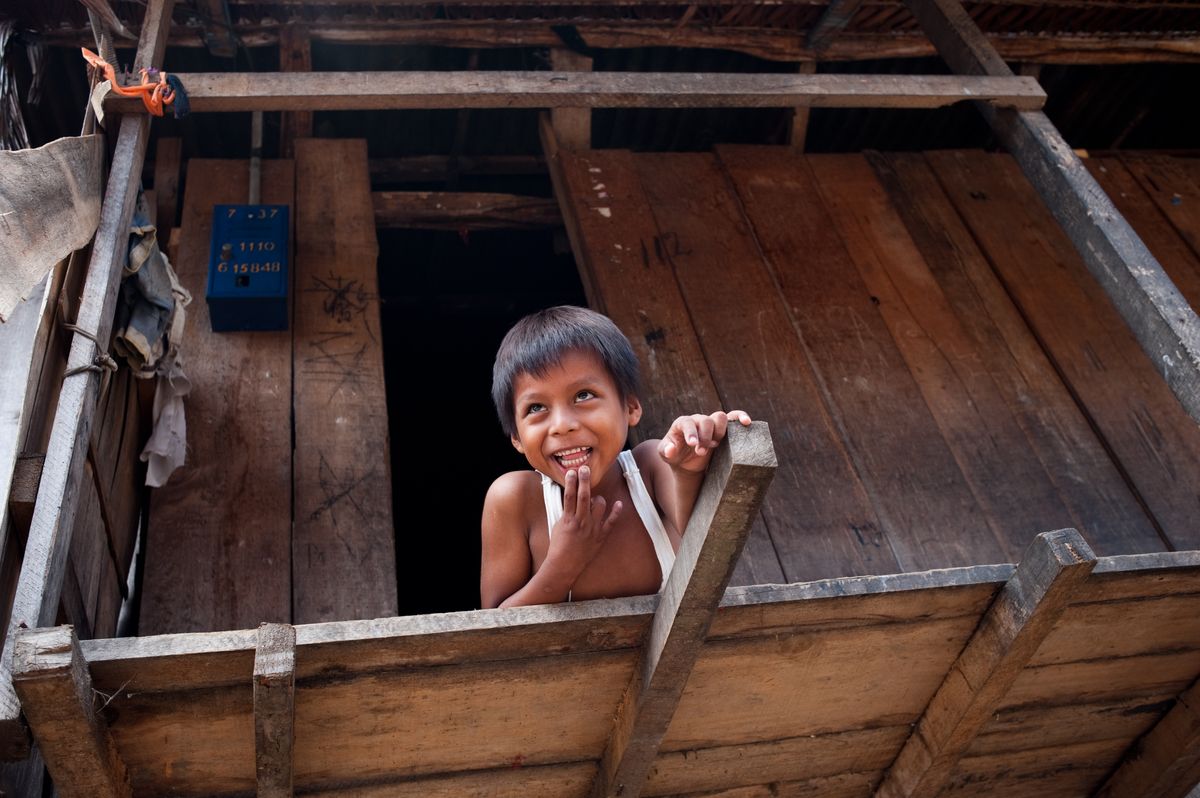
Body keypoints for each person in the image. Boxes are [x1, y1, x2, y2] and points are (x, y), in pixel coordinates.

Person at [481, 305, 750, 608]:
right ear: (516, 437)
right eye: (536, 408)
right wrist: (563, 564)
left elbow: (705, 541)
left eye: (583, 395)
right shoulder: (515, 500)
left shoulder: (650, 467)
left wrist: (690, 468)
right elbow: (495, 627)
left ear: (630, 407)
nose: (562, 425)